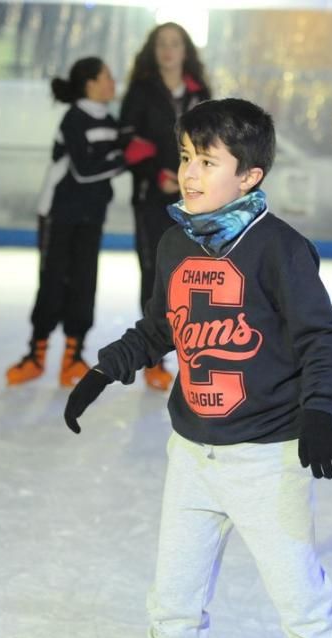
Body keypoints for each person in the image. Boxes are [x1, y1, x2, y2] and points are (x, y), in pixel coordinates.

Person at [64, 99, 332, 638]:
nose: (190, 174)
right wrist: (106, 368)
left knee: (303, 605)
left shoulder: (281, 249)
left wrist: (320, 411)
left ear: (250, 176)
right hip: (193, 456)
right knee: (172, 606)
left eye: (207, 161)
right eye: (185, 158)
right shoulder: (175, 243)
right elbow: (159, 327)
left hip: (268, 460)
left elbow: (322, 338)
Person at [5, 57, 126, 388]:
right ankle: (36, 355)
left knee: (85, 282)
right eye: (107, 77)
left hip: (91, 215)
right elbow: (85, 170)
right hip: (60, 213)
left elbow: (109, 161)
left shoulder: (110, 121)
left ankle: (72, 357)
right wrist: (124, 158)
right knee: (53, 282)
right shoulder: (74, 118)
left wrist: (127, 153)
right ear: (90, 83)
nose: (113, 83)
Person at [120, 22, 211, 392]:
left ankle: (195, 353)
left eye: (175, 44)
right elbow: (129, 141)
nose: (168, 50)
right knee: (155, 272)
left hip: (196, 199)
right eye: (162, 44)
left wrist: (199, 175)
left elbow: (213, 139)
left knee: (194, 274)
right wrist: (157, 173)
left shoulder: (198, 92)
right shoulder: (141, 90)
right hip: (152, 197)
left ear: (186, 50)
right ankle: (155, 357)